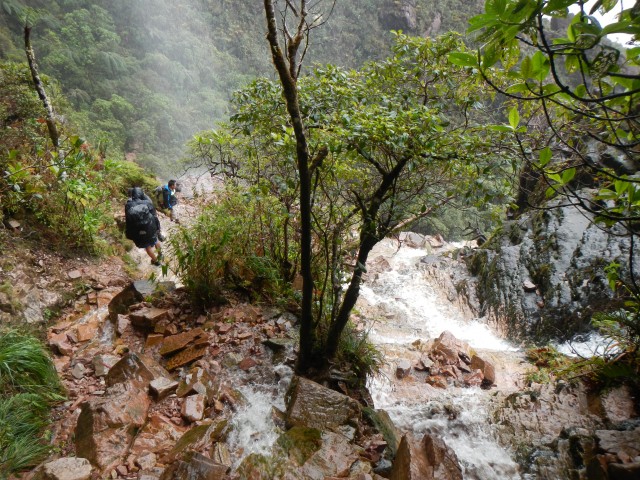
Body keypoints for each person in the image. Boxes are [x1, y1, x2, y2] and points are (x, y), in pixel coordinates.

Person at [125, 187, 164, 265]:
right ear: (141, 194)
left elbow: (128, 220)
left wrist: (129, 234)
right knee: (155, 241)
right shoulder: (147, 202)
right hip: (150, 227)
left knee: (147, 246)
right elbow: (154, 216)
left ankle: (156, 261)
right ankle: (160, 255)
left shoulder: (128, 205)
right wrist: (158, 228)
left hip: (139, 230)